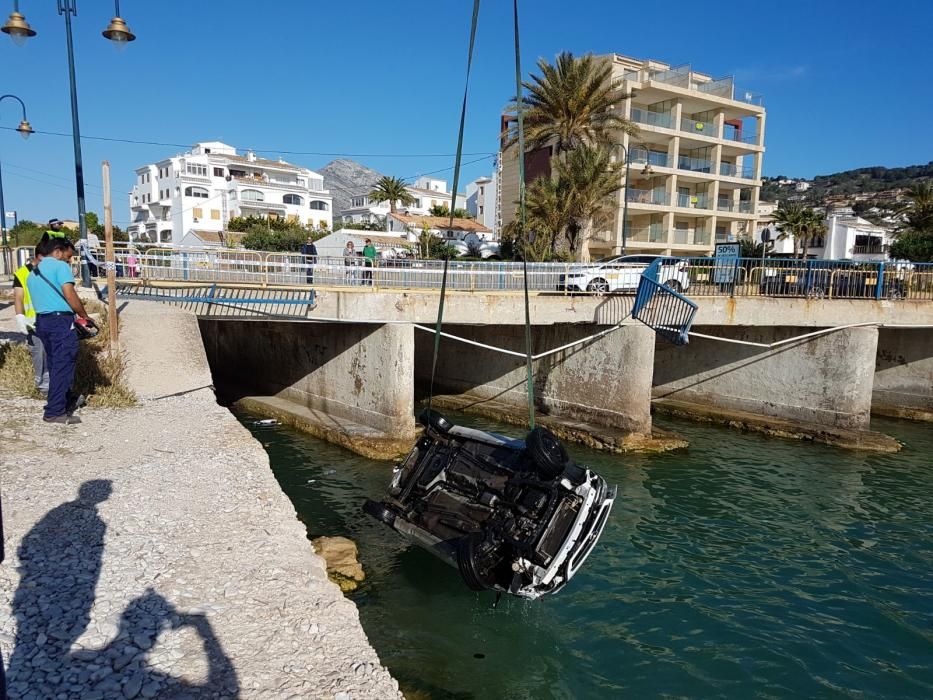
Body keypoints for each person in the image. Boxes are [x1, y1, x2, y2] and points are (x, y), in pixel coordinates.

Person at [25, 237, 94, 425]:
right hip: (60, 321)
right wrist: (84, 315)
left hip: (42, 322)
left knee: (55, 365)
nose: (69, 261)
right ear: (57, 251)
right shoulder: (59, 267)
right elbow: (69, 295)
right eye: (68, 256)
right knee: (63, 365)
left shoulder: (33, 273)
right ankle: (54, 412)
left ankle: (65, 399)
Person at [13, 245, 50, 397]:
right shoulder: (22, 273)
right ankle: (43, 387)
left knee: (52, 352)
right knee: (39, 353)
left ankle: (55, 385)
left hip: (50, 317)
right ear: (40, 256)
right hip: (32, 321)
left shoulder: (48, 270)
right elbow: (18, 297)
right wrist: (20, 316)